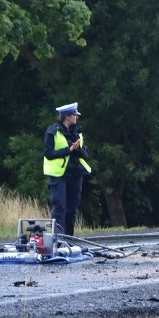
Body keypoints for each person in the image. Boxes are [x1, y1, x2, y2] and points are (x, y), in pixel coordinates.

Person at [43, 102, 91, 237]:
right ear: (67, 116)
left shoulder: (78, 133)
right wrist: (68, 150)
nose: (77, 117)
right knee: (59, 206)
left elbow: (86, 155)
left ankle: (69, 238)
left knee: (72, 208)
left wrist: (78, 148)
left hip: (75, 174)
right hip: (58, 175)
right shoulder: (52, 131)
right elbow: (48, 153)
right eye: (75, 115)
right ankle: (58, 238)